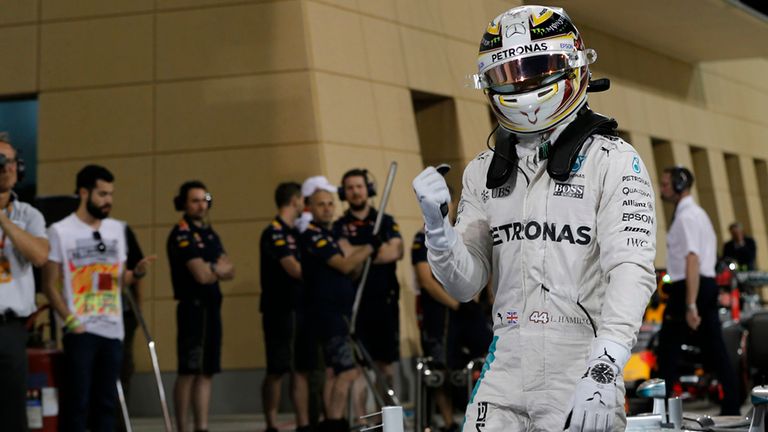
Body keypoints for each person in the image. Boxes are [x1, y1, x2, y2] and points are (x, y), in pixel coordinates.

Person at [412, 5, 657, 431]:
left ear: (573, 63)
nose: (523, 86)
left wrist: (606, 365)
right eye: (509, 75)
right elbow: (465, 284)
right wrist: (438, 229)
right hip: (505, 360)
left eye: (536, 68)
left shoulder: (614, 160)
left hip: (581, 361)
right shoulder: (483, 171)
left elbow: (631, 269)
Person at [43, 165, 151, 431]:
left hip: (112, 327)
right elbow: (49, 285)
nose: (108, 201)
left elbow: (116, 280)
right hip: (80, 327)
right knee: (77, 402)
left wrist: (135, 273)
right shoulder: (60, 231)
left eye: (111, 194)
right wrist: (70, 321)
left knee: (107, 403)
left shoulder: (117, 230)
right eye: (102, 194)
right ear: (83, 193)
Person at [657, 166, 741, 415]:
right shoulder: (698, 214)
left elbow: (692, 259)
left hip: (690, 288)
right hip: (702, 285)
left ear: (680, 185)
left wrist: (690, 304)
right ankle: (732, 406)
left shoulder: (687, 217)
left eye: (665, 184)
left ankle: (662, 408)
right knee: (715, 349)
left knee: (667, 349)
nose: (661, 189)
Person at [299, 176, 377, 432]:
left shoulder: (328, 234)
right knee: (346, 371)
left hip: (338, 311)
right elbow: (343, 264)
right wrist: (370, 247)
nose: (327, 208)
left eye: (330, 204)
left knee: (337, 371)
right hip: (327, 314)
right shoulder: (312, 236)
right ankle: (335, 423)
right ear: (309, 207)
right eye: (321, 204)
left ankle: (334, 420)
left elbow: (347, 270)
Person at [332, 169, 403, 415]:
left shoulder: (385, 220)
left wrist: (360, 252)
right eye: (349, 188)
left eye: (359, 186)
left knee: (386, 367)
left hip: (384, 303)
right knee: (361, 367)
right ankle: (365, 420)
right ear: (344, 193)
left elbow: (394, 251)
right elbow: (346, 259)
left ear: (368, 189)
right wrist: (371, 250)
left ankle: (388, 417)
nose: (355, 192)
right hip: (355, 304)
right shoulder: (340, 226)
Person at [167, 181, 235, 432]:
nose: (200, 205)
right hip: (192, 309)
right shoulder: (181, 234)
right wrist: (216, 269)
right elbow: (202, 275)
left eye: (203, 199)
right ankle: (183, 427)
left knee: (207, 371)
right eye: (194, 200)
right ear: (183, 204)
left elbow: (231, 269)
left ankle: (201, 427)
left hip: (212, 307)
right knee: (189, 370)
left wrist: (214, 269)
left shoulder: (210, 233)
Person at [413, 227, 492, 432]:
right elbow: (426, 280)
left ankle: (480, 417)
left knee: (483, 358)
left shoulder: (464, 233)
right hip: (439, 311)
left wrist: (473, 300)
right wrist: (457, 304)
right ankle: (449, 424)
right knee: (441, 369)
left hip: (467, 307)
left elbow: (480, 267)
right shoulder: (422, 237)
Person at [0, 135, 48, 432]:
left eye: (12, 161)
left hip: (9, 328)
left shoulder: (29, 215)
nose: (7, 168)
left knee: (11, 412)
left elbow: (40, 255)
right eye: (0, 161)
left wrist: (4, 220)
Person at [260, 182, 312, 432]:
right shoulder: (274, 232)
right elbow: (292, 267)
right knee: (277, 368)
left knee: (299, 367)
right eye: (303, 200)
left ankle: (303, 422)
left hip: (300, 307)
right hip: (278, 309)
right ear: (294, 201)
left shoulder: (296, 232)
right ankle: (271, 422)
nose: (305, 205)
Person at [118, 225, 147, 431]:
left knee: (123, 369)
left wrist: (138, 310)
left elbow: (137, 272)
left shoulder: (120, 230)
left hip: (123, 313)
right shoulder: (66, 230)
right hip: (86, 316)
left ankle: (120, 424)